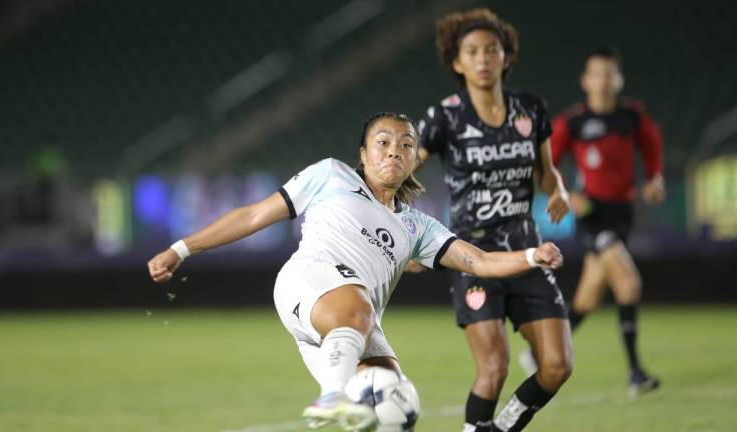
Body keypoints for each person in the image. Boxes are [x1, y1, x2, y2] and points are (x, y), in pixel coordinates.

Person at [147, 112, 565, 432]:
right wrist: (182, 248)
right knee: (357, 310)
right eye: (382, 142)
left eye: (405, 146)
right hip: (309, 284)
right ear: (363, 154)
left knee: (392, 404)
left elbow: (479, 261)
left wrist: (532, 257)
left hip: (352, 324)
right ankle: (330, 397)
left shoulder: (416, 226)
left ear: (413, 161)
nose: (393, 152)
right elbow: (255, 214)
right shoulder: (331, 175)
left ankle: (342, 395)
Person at [415, 8, 572, 432]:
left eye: (491, 50)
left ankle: (500, 430)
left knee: (556, 366)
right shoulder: (443, 117)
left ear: (506, 57)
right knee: (494, 369)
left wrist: (557, 189)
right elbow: (400, 175)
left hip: (527, 250)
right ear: (456, 62)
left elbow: (546, 172)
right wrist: (404, 231)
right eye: (472, 52)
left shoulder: (531, 110)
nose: (483, 58)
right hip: (472, 254)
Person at [548, 47, 664, 396]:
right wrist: (567, 192)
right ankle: (635, 373)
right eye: (597, 74)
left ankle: (542, 352)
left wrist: (656, 178)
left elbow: (652, 147)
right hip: (592, 216)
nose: (604, 80)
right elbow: (546, 162)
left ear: (619, 79)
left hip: (623, 213)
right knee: (629, 285)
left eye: (610, 73)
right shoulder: (573, 122)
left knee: (587, 297)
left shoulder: (632, 116)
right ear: (586, 81)